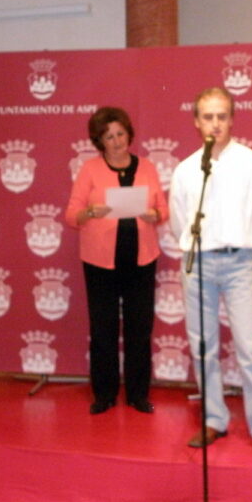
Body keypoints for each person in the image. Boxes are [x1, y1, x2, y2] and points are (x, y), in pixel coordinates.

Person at [169, 86, 252, 464]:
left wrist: (248, 250)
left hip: (239, 263)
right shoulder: (186, 169)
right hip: (198, 263)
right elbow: (179, 221)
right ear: (195, 121)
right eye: (207, 117)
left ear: (232, 119)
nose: (215, 124)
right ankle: (214, 418)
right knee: (204, 347)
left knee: (251, 347)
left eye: (221, 116)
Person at [65, 107, 169, 414]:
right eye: (108, 136)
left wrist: (156, 215)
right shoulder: (89, 170)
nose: (116, 141)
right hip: (100, 264)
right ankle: (105, 394)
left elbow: (163, 208)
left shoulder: (147, 167)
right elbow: (71, 214)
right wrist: (89, 213)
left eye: (120, 134)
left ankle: (138, 394)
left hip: (141, 260)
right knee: (103, 329)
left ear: (129, 134)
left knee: (139, 328)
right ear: (99, 141)